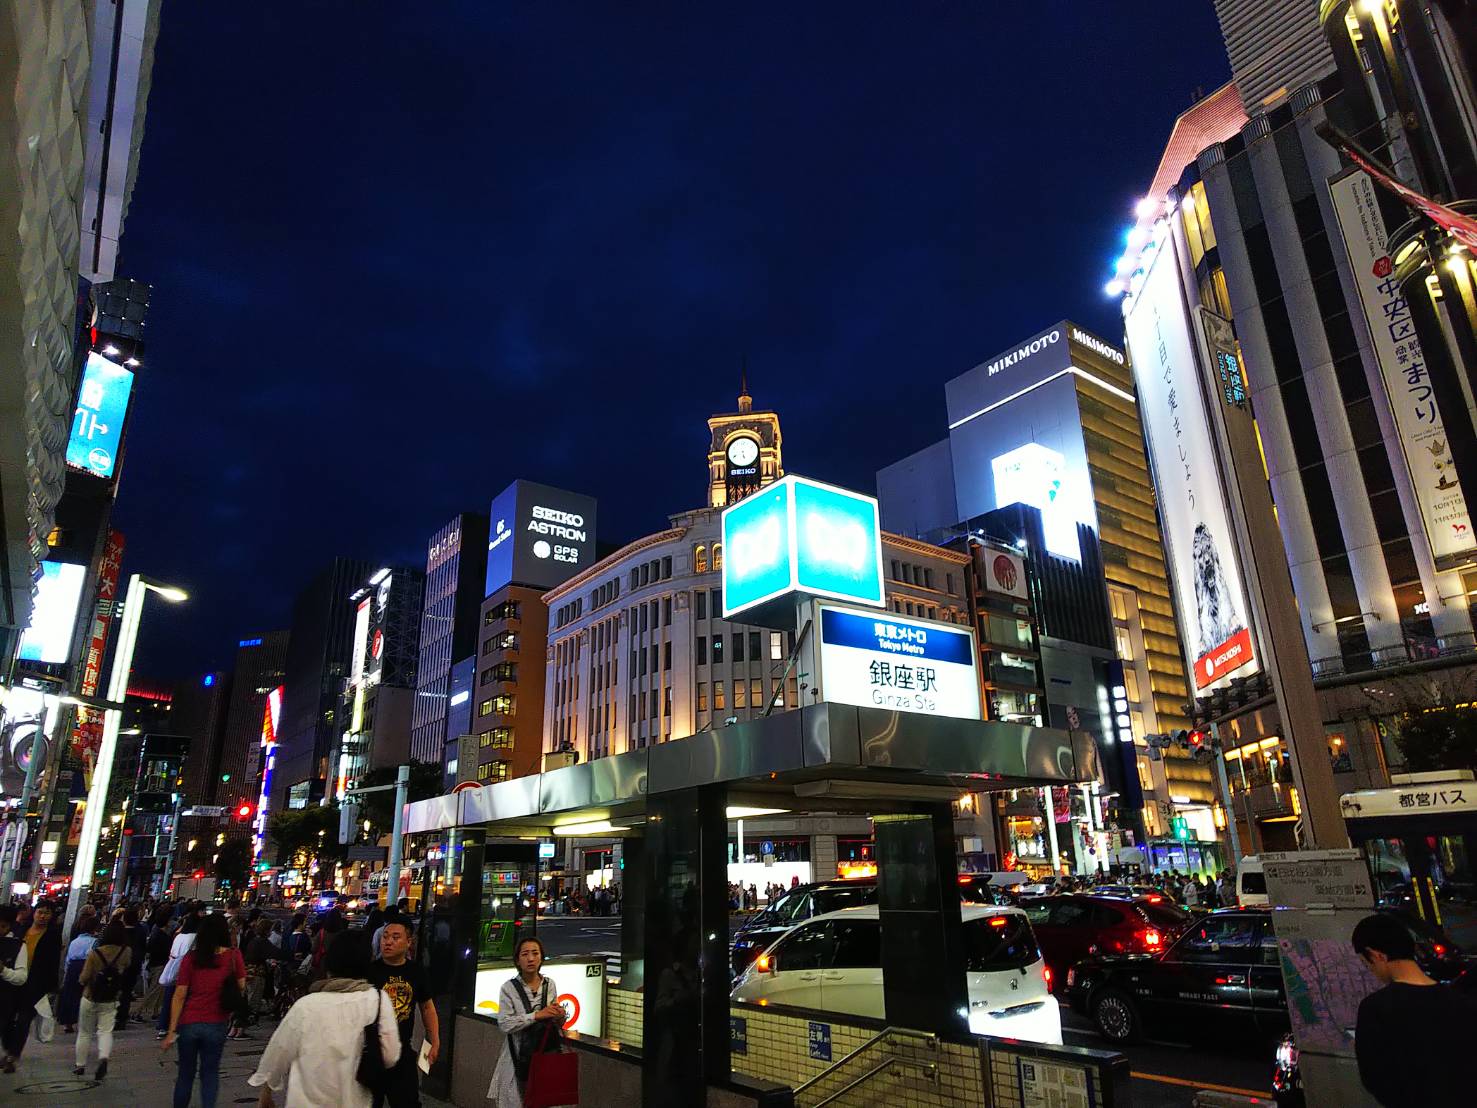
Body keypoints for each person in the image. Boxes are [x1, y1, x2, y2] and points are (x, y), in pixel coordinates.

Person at [248, 930, 398, 1108]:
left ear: (330, 965)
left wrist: (266, 1092)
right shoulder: (378, 1000)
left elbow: (279, 1050)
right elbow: (390, 1055)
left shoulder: (306, 1005)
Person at [1351, 912, 1477, 1106]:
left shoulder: (1376, 1009)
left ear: (1377, 955)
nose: (1372, 971)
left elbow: (1375, 1079)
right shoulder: (1461, 1002)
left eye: (1367, 964)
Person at [162, 912, 245, 1108]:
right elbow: (241, 986)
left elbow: (179, 995)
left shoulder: (191, 958)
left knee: (185, 1074)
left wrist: (171, 1030)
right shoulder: (234, 956)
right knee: (210, 1073)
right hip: (217, 1022)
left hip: (189, 1022)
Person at [368, 913, 439, 1108]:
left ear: (409, 942)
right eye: (385, 936)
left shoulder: (416, 972)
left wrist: (434, 1039)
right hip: (371, 1053)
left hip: (402, 1052)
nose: (388, 942)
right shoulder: (369, 971)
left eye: (395, 937)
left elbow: (427, 1007)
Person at [487, 936, 565, 1107]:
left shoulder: (549, 985)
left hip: (545, 1056)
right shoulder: (508, 988)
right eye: (525, 954)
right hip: (517, 1057)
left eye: (535, 953)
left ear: (541, 957)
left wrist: (559, 1016)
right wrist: (536, 1015)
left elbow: (554, 1023)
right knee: (516, 1100)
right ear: (517, 960)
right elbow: (505, 1023)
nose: (530, 958)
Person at [0, 898, 61, 1072]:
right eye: (40, 912)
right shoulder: (21, 930)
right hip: (13, 983)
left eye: (47, 913)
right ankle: (8, 1048)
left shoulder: (52, 935)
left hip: (35, 984)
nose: (42, 916)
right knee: (7, 1018)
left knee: (24, 1019)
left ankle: (13, 1055)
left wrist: (51, 986)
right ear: (34, 913)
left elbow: (53, 962)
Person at [73, 916, 132, 1080]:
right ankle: (103, 1057)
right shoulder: (126, 951)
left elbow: (84, 977)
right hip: (111, 997)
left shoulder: (95, 953)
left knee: (84, 1032)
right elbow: (125, 968)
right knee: (105, 1031)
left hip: (90, 995)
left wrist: (82, 981)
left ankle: (80, 1065)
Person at [157, 909, 200, 1037]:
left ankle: (163, 1026)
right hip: (186, 971)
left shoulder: (179, 936)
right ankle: (179, 1026)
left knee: (169, 997)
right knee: (183, 999)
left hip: (173, 966)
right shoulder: (195, 937)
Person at [57, 914, 99, 1032]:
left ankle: (67, 1023)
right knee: (86, 996)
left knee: (70, 995)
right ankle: (84, 1022)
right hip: (86, 966)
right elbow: (93, 956)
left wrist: (67, 971)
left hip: (72, 968)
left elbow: (68, 958)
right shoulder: (95, 942)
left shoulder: (75, 941)